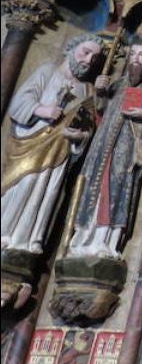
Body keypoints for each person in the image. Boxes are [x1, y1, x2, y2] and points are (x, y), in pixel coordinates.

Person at [67, 19, 142, 258]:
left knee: (116, 187)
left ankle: (107, 240)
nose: (136, 59)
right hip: (101, 146)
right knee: (91, 186)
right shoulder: (117, 83)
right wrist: (101, 91)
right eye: (133, 53)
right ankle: (83, 237)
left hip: (127, 150)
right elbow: (99, 112)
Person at [2, 35, 104, 254]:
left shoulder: (88, 91)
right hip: (30, 145)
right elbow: (20, 102)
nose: (88, 60)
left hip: (59, 154)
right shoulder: (48, 72)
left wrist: (78, 137)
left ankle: (29, 241)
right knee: (23, 186)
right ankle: (5, 232)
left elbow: (87, 130)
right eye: (85, 52)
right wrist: (42, 110)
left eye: (94, 58)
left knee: (46, 194)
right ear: (72, 47)